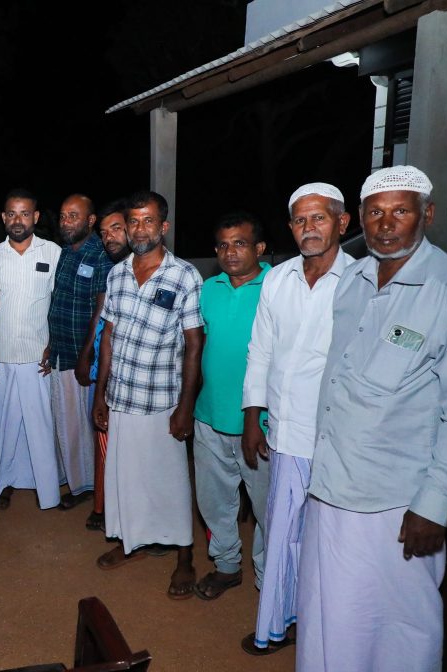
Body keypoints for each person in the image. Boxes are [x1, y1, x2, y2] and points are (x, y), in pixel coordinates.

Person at [297, 166, 447, 671]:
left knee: (396, 627)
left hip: (396, 501)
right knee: (327, 613)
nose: (386, 225)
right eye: (375, 213)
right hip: (332, 482)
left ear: (427, 215)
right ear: (359, 218)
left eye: (401, 211)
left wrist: (435, 502)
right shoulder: (354, 279)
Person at [240, 182, 354, 655]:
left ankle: (324, 634)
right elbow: (261, 350)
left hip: (336, 439)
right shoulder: (278, 278)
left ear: (342, 223)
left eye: (319, 218)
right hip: (284, 433)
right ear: (290, 227)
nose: (309, 227)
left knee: (327, 544)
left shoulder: (361, 281)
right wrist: (252, 416)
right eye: (301, 220)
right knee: (282, 533)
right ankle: (277, 624)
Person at [91, 190, 202, 600]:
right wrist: (100, 395)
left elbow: (194, 345)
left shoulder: (185, 276)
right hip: (122, 395)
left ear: (163, 226)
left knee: (170, 482)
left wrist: (186, 407)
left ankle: (185, 556)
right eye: (133, 222)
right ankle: (132, 542)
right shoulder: (117, 274)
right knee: (127, 478)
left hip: (162, 400)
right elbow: (108, 337)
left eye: (148, 221)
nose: (139, 229)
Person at [191, 212, 271, 601]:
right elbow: (198, 348)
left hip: (262, 424)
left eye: (240, 243)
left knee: (267, 509)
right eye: (223, 245)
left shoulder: (278, 288)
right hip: (209, 415)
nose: (230, 252)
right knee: (213, 500)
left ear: (260, 248)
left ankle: (269, 580)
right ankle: (226, 565)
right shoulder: (209, 289)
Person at [0, 189, 63, 509]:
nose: (18, 220)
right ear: (4, 218)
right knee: (2, 426)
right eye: (12, 214)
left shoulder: (53, 252)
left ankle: (46, 487)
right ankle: (3, 482)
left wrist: (53, 344)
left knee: (39, 425)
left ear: (36, 217)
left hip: (37, 355)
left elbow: (59, 304)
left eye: (25, 213)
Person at [46, 193, 114, 514]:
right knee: (65, 420)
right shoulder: (64, 253)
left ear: (90, 220)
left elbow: (101, 309)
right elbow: (58, 300)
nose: (66, 222)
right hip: (60, 349)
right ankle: (74, 478)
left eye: (73, 216)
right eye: (63, 216)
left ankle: (86, 485)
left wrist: (87, 354)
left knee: (83, 425)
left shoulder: (100, 254)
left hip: (81, 355)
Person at [85, 200, 132, 531]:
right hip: (108, 375)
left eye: (116, 229)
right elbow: (105, 327)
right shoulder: (115, 273)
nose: (109, 238)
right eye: (103, 233)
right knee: (105, 447)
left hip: (144, 384)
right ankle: (103, 508)